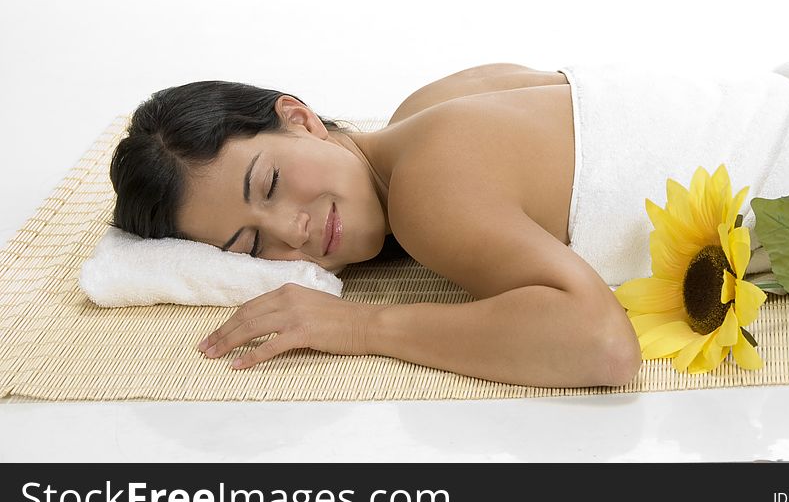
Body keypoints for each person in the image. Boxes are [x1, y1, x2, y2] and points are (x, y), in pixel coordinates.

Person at [109, 64, 642, 388]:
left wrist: (359, 325)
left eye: (270, 183)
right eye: (251, 245)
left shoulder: (427, 191)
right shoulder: (424, 105)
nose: (293, 232)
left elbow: (603, 346)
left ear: (300, 120)